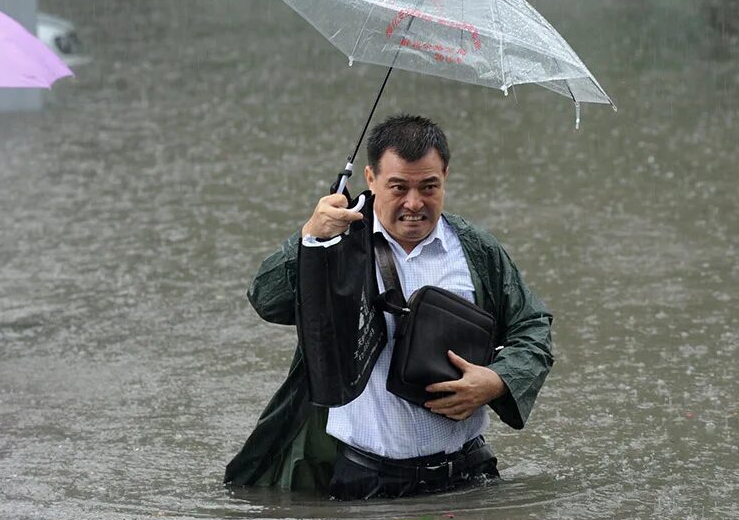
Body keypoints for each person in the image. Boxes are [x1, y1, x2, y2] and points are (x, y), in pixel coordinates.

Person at [225, 114, 554, 499]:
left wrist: (496, 382)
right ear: (370, 178)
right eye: (398, 187)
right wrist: (308, 239)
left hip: (468, 476)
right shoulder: (335, 248)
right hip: (368, 481)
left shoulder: (476, 250)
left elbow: (533, 327)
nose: (414, 203)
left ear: (446, 175)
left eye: (429, 187)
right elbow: (266, 299)